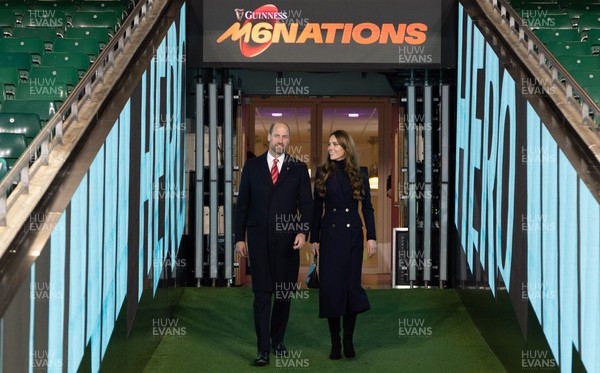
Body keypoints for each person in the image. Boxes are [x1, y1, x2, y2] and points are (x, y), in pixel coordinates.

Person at [235, 122, 313, 367]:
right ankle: (263, 349)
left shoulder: (298, 169)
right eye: (276, 135)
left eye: (285, 137)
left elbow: (307, 205)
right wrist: (239, 237)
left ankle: (277, 339)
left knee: (283, 294)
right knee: (261, 295)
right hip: (258, 242)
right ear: (268, 137)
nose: (280, 140)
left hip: (288, 244)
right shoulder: (252, 167)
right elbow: (243, 205)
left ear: (289, 140)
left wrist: (303, 232)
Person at [310, 129, 377, 360]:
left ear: (346, 148)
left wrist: (372, 237)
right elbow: (316, 208)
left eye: (335, 144)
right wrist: (314, 239)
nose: (330, 148)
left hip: (352, 237)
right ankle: (335, 342)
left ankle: (348, 340)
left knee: (350, 289)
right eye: (329, 144)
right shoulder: (322, 172)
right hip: (329, 237)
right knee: (331, 290)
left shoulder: (360, 173)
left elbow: (367, 207)